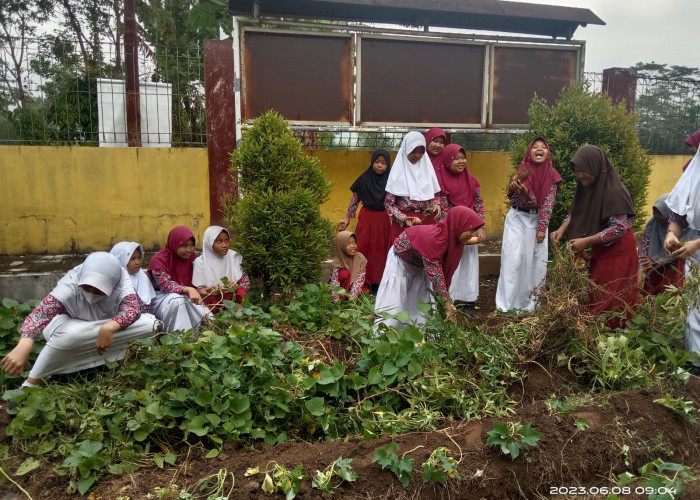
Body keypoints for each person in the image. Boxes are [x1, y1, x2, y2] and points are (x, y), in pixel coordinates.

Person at [0, 252, 158, 386]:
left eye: (99, 288)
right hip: (70, 326)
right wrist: (25, 343)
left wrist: (110, 326)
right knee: (70, 336)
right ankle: (32, 382)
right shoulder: (71, 282)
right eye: (87, 285)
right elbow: (43, 312)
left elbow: (132, 308)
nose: (91, 291)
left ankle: (107, 360)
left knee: (150, 325)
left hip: (105, 328)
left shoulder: (120, 277)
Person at [550, 145, 637, 329]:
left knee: (615, 294)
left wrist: (586, 241)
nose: (579, 175)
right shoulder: (589, 188)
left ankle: (617, 335)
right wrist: (562, 229)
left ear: (595, 167)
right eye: (577, 170)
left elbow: (619, 228)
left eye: (583, 170)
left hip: (619, 251)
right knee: (598, 290)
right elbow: (576, 212)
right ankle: (599, 333)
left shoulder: (615, 192)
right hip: (602, 249)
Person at [374, 206, 484, 328]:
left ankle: (417, 337)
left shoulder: (451, 238)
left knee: (419, 304)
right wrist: (447, 305)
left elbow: (440, 278)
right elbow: (437, 277)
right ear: (459, 226)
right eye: (470, 230)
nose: (471, 234)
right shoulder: (435, 241)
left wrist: (445, 302)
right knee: (394, 302)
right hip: (400, 261)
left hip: (419, 264)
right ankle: (382, 334)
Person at [496, 137, 562, 312]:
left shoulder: (552, 176)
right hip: (517, 219)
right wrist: (520, 191)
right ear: (529, 152)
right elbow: (514, 200)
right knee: (512, 260)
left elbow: (547, 205)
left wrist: (542, 229)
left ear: (548, 153)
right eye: (535, 147)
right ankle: (505, 306)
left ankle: (531, 307)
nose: (539, 150)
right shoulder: (522, 172)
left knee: (535, 264)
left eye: (543, 147)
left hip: (537, 222)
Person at [664, 148, 700, 375]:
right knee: (694, 306)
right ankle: (696, 361)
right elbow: (677, 214)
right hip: (694, 247)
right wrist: (671, 234)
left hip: (696, 245)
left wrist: (697, 244)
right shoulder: (695, 171)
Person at [437, 143, 487, 309]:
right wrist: (457, 229)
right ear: (447, 160)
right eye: (456, 158)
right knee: (451, 263)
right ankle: (447, 300)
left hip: (470, 229)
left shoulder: (472, 180)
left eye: (463, 158)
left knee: (468, 265)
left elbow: (478, 204)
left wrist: (480, 227)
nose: (461, 161)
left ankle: (467, 300)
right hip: (450, 230)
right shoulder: (439, 180)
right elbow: (443, 208)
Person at [337, 149, 392, 293]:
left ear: (388, 165)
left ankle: (379, 285)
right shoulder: (364, 179)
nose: (379, 165)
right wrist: (347, 218)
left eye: (383, 163)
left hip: (383, 221)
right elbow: (355, 200)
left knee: (380, 253)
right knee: (363, 249)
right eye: (377, 162)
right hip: (366, 219)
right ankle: (360, 283)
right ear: (372, 162)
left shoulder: (392, 180)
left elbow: (396, 202)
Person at [384, 131, 443, 244]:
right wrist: (403, 218)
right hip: (404, 224)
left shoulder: (427, 170)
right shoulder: (397, 173)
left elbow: (434, 196)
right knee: (402, 259)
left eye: (421, 152)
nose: (417, 155)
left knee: (425, 256)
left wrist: (435, 205)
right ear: (406, 149)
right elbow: (388, 204)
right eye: (413, 151)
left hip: (426, 221)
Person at [147, 226, 209, 332]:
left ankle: (204, 332)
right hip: (161, 299)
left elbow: (193, 282)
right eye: (184, 246)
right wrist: (188, 289)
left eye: (191, 245)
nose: (189, 250)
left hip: (184, 297)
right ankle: (180, 339)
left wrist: (199, 290)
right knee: (178, 300)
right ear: (174, 243)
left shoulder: (192, 258)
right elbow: (164, 284)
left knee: (206, 315)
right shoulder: (160, 259)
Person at [192, 226, 250, 313]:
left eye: (227, 240)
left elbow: (246, 284)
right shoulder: (200, 262)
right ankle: (220, 320)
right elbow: (196, 291)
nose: (225, 245)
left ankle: (241, 317)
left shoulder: (234, 257)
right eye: (219, 241)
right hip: (213, 298)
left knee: (241, 293)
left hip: (232, 295)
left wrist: (236, 286)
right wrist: (211, 290)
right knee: (215, 302)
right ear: (209, 243)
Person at [637, 195, 685, 295]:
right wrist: (641, 268)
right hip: (653, 270)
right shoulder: (653, 223)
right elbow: (644, 244)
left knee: (669, 297)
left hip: (673, 268)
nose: (655, 215)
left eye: (659, 213)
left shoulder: (679, 227)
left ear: (668, 212)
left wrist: (657, 263)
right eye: (654, 212)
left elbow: (678, 251)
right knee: (650, 296)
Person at [328, 231, 368, 302]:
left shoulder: (360, 259)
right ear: (341, 245)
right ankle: (341, 301)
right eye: (348, 243)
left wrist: (353, 297)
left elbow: (359, 281)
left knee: (364, 292)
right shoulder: (338, 261)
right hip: (340, 293)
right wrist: (336, 302)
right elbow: (334, 283)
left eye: (354, 242)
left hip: (355, 290)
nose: (352, 246)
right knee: (344, 274)